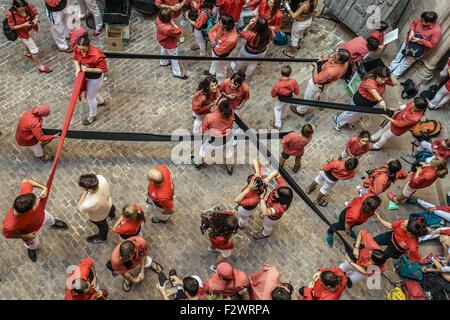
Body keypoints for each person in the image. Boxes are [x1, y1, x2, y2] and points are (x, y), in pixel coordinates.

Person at [2, 178, 68, 262]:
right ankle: (31, 249)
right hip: (31, 232)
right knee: (33, 245)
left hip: (42, 216)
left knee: (50, 219)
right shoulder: (9, 224)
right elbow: (7, 235)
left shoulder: (25, 197)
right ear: (30, 209)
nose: (37, 202)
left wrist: (44, 188)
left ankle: (53, 223)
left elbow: (26, 181)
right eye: (35, 204)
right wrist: (25, 236)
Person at [333, 67, 399, 131]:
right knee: (350, 113)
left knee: (356, 115)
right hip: (359, 101)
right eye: (382, 79)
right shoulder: (370, 81)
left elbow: (395, 83)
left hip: (368, 104)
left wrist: (389, 74)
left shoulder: (383, 80)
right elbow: (373, 91)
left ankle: (348, 121)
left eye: (385, 80)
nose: (383, 82)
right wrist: (381, 100)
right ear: (377, 75)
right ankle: (338, 121)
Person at [290, 49, 350, 117]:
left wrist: (315, 66)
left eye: (335, 57)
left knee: (308, 97)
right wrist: (324, 59)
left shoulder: (331, 71)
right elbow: (331, 59)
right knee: (324, 91)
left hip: (318, 83)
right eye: (335, 54)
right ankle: (323, 103)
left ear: (340, 61)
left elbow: (316, 79)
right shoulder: (345, 63)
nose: (333, 56)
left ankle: (301, 111)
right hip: (327, 82)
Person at [389, 11, 441, 78]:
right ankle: (390, 68)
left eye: (423, 22)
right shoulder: (422, 19)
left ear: (430, 23)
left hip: (417, 49)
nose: (421, 22)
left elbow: (432, 44)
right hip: (408, 42)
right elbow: (414, 24)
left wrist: (420, 40)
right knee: (399, 56)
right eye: (421, 20)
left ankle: (394, 75)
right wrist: (412, 31)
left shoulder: (436, 30)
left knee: (405, 63)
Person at [6, 0, 52, 73]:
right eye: (21, 9)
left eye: (24, 8)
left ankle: (26, 52)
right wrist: (24, 25)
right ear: (15, 7)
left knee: (31, 40)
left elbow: (36, 14)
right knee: (34, 49)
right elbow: (12, 27)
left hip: (31, 28)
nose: (23, 10)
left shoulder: (28, 5)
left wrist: (35, 19)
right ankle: (40, 66)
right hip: (23, 33)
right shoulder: (10, 14)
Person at [192, 99, 235, 175]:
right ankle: (229, 168)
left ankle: (197, 163)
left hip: (214, 140)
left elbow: (203, 131)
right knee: (228, 153)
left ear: (218, 106)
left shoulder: (210, 117)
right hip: (228, 138)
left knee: (203, 151)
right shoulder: (231, 113)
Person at [73, 36, 108, 125]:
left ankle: (92, 116)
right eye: (80, 49)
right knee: (91, 92)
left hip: (95, 78)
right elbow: (76, 59)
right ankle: (101, 102)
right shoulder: (78, 49)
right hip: (85, 76)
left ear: (88, 46)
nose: (81, 52)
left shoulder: (97, 55)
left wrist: (88, 70)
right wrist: (77, 69)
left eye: (83, 50)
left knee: (90, 97)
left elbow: (103, 69)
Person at [253, 171, 293, 239]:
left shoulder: (278, 207)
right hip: (268, 208)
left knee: (267, 225)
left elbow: (265, 212)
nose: (274, 192)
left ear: (282, 198)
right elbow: (276, 172)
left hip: (270, 218)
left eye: (277, 194)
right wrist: (267, 179)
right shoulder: (282, 188)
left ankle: (265, 233)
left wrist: (262, 198)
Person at [77, 174, 115, 244]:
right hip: (108, 203)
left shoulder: (88, 203)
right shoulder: (101, 178)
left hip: (99, 216)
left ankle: (102, 238)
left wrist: (84, 193)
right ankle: (112, 215)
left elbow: (79, 209)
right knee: (111, 209)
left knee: (102, 226)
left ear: (89, 189)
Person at [205, 14, 238, 85]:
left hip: (221, 56)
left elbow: (219, 52)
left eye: (221, 22)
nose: (219, 22)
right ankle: (212, 72)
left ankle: (220, 83)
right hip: (215, 48)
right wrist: (214, 42)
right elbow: (211, 31)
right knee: (213, 61)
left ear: (225, 26)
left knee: (221, 71)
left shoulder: (231, 39)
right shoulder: (221, 23)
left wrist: (213, 41)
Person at [156, 8, 188, 80]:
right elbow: (179, 32)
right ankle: (177, 73)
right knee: (174, 58)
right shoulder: (169, 28)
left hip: (161, 40)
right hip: (170, 44)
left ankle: (163, 62)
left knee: (163, 51)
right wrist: (173, 23)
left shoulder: (158, 20)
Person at [234, 160, 267, 229]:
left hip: (245, 209)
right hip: (249, 205)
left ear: (252, 187)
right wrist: (257, 172)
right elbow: (255, 160)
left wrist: (248, 189)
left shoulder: (253, 199)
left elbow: (237, 200)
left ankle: (241, 225)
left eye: (249, 183)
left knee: (244, 218)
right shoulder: (260, 180)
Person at [270, 65, 301, 129]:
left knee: (277, 109)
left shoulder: (278, 84)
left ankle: (278, 124)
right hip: (289, 98)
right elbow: (297, 92)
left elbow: (273, 94)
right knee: (286, 106)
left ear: (281, 73)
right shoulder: (293, 81)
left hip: (281, 99)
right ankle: (283, 116)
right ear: (290, 73)